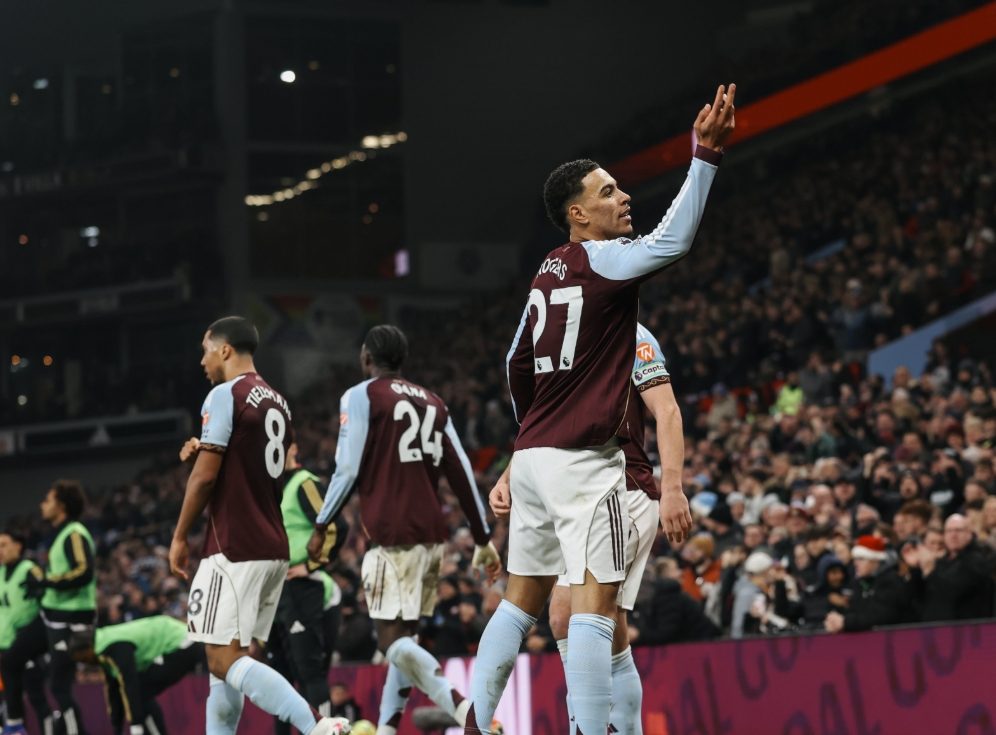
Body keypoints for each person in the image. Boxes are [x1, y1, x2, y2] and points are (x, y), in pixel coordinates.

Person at [476, 85, 735, 735]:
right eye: (608, 192)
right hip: (588, 465)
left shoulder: (547, 271)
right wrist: (704, 155)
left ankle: (474, 722)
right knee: (590, 612)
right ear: (578, 214)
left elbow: (515, 362)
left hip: (536, 457)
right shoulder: (606, 266)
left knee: (525, 605)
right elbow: (673, 240)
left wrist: (523, 445)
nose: (624, 198)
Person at [306, 325, 500, 735]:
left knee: (390, 643)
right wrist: (482, 537)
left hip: (392, 535)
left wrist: (322, 523)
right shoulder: (434, 401)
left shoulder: (361, 395)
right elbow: (460, 470)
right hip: (431, 537)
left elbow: (347, 468)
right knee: (405, 643)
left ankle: (467, 713)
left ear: (366, 357)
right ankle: (388, 729)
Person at [168, 316, 349, 735]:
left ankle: (317, 726)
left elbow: (206, 479)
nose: (202, 361)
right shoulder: (278, 401)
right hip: (272, 547)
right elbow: (251, 472)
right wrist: (205, 452)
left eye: (205, 351)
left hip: (234, 545)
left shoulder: (224, 394)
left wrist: (179, 536)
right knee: (226, 666)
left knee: (222, 660)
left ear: (225, 349)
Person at [546, 323, 682, 735]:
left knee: (574, 615)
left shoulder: (633, 334)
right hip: (582, 499)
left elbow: (667, 410)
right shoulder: (561, 331)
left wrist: (673, 487)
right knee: (590, 625)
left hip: (626, 493)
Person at [269, 442, 349, 727]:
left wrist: (311, 565)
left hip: (302, 587)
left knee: (310, 672)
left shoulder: (304, 483)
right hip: (277, 590)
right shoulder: (269, 489)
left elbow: (336, 525)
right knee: (279, 678)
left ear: (293, 448)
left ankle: (326, 731)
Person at [20, 480, 96, 735]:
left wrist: (46, 581)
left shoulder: (74, 533)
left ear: (61, 506)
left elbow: (84, 572)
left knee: (59, 686)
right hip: (55, 616)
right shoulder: (61, 534)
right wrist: (44, 588)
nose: (42, 505)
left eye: (47, 500)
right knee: (15, 658)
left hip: (72, 619)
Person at [68, 616, 205, 735]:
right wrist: (118, 729)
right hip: (177, 641)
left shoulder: (113, 646)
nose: (87, 664)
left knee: (140, 692)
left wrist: (136, 725)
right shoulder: (103, 651)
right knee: (140, 693)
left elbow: (130, 683)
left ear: (89, 646)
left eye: (84, 659)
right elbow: (113, 691)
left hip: (182, 643)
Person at [0, 528, 53, 735]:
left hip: (29, 643)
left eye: (4, 545)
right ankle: (17, 729)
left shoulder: (29, 569)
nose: (0, 550)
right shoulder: (0, 573)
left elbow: (47, 598)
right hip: (7, 644)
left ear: (18, 546)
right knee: (10, 694)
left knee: (35, 695)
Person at [904, 514, 995, 622]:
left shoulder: (976, 561)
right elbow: (922, 595)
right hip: (934, 627)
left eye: (958, 530)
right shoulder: (942, 562)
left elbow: (950, 592)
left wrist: (929, 571)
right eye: (949, 531)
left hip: (966, 628)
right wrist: (915, 569)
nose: (953, 535)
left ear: (969, 535)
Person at [824, 536, 907, 633]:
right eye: (855, 559)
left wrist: (846, 622)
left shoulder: (891, 581)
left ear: (875, 560)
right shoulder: (860, 583)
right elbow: (853, 611)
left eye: (861, 559)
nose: (855, 563)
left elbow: (881, 616)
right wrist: (837, 620)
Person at [631, 558, 719, 645]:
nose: (681, 572)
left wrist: (638, 636)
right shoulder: (655, 598)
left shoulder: (668, 596)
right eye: (676, 569)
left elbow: (666, 634)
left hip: (708, 645)